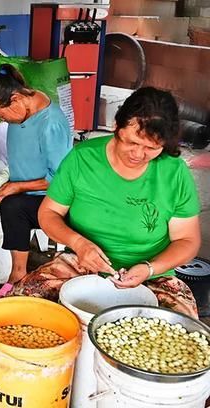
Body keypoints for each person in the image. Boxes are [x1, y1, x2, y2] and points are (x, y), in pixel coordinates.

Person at [24, 87, 200, 317]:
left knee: (182, 337)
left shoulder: (174, 173)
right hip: (81, 263)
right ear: (117, 126)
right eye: (131, 142)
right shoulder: (82, 159)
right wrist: (78, 244)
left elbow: (187, 240)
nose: (138, 154)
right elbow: (48, 213)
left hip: (153, 275)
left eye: (151, 148)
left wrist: (149, 269)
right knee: (24, 310)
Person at [0, 64, 72, 286]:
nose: (3, 121)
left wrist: (17, 187)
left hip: (50, 198)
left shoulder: (50, 123)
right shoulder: (22, 108)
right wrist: (7, 175)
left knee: (13, 206)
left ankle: (18, 273)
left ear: (14, 99)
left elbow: (61, 179)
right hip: (21, 182)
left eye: (1, 116)